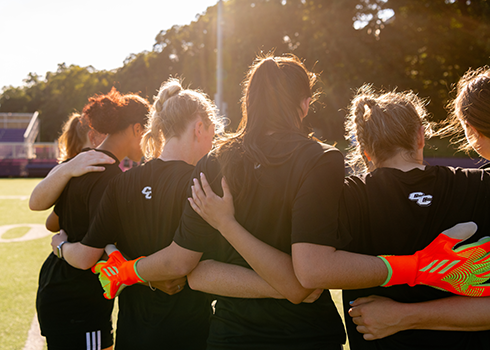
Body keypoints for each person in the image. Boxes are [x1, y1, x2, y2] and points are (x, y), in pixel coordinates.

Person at [92, 54, 490, 349]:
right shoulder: (322, 160)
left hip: (232, 335)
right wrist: (288, 285)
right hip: (306, 334)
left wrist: (128, 269)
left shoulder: (217, 161)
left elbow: (194, 271)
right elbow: (307, 275)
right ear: (303, 104)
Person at [49, 79, 219, 349]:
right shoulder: (202, 183)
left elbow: (93, 253)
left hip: (132, 333)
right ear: (199, 128)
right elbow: (184, 264)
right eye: (213, 133)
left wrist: (60, 245)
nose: (213, 143)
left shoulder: (123, 182)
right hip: (189, 334)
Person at [347, 68, 490, 343]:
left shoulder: (347, 195)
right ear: (421, 137)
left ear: (365, 149)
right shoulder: (479, 184)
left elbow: (312, 271)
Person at [35, 87, 150, 350]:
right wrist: (63, 247)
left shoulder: (79, 166)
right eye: (148, 132)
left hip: (58, 288)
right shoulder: (110, 178)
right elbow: (88, 256)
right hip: (79, 300)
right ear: (136, 129)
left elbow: (55, 221)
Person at [30, 112, 112, 232]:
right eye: (106, 134)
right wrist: (67, 169)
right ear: (93, 137)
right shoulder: (67, 168)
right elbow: (35, 204)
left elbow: (51, 223)